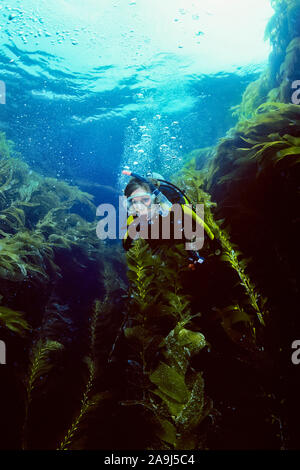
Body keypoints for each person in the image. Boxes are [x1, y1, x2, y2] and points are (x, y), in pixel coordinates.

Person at [122, 170, 215, 270]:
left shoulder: (171, 206)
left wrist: (212, 242)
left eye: (145, 200)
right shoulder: (134, 219)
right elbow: (126, 242)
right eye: (133, 202)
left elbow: (196, 222)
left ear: (154, 198)